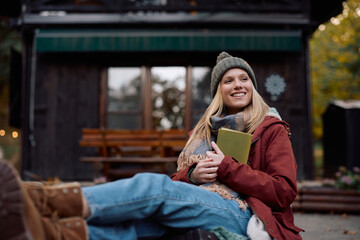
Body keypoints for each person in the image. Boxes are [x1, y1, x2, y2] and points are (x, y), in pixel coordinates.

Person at [0, 52, 303, 240]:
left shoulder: (270, 129)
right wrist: (193, 176)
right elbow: (178, 183)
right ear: (218, 93)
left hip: (245, 216)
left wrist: (227, 168)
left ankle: (40, 200)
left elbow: (284, 192)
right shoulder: (204, 132)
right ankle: (47, 234)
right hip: (202, 202)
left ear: (253, 86)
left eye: (243, 78)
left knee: (152, 188)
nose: (237, 84)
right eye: (228, 81)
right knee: (137, 225)